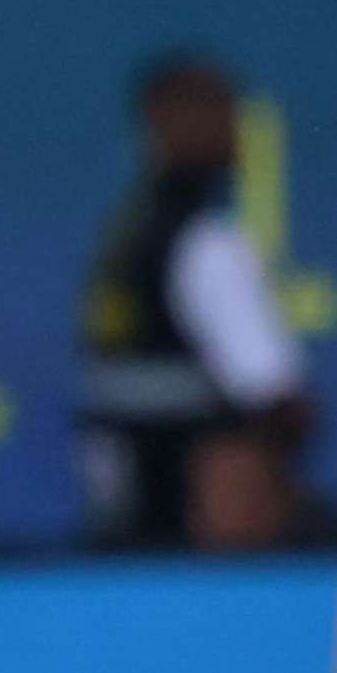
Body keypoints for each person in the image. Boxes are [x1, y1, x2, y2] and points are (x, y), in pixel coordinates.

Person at [74, 54, 313, 549]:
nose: (230, 128)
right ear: (158, 123)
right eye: (214, 112)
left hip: (127, 534)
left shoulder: (125, 243)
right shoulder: (203, 243)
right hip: (194, 550)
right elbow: (278, 400)